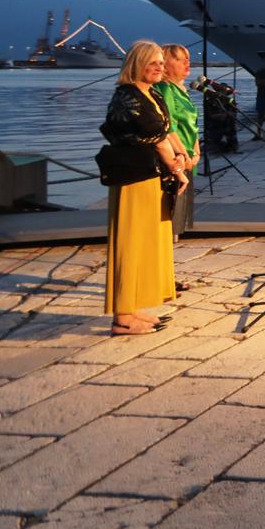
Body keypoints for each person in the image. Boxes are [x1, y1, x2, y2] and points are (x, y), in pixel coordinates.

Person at [100, 41, 188, 336]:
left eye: (162, 63)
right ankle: (123, 317)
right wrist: (178, 168)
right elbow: (155, 136)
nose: (159, 68)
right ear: (136, 64)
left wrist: (182, 155)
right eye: (153, 63)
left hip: (151, 178)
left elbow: (166, 131)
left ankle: (135, 308)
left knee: (148, 244)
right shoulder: (128, 96)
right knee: (132, 244)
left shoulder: (151, 94)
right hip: (133, 179)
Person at [153, 43, 200, 255]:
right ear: (165, 63)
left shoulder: (181, 89)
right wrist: (183, 154)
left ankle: (168, 273)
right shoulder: (165, 88)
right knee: (169, 217)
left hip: (188, 157)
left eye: (187, 59)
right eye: (180, 59)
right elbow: (169, 127)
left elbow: (192, 124)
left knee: (178, 219)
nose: (187, 63)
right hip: (176, 160)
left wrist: (196, 151)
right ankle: (164, 274)